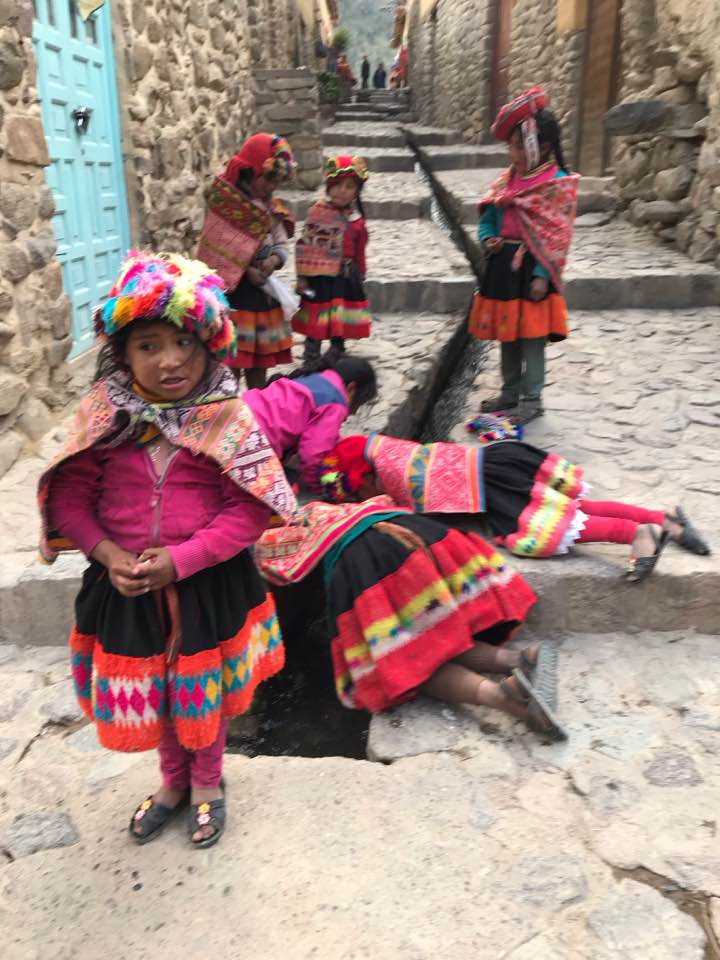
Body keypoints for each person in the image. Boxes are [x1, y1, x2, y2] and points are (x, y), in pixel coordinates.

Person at [38, 252, 297, 848]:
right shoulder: (105, 419)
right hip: (125, 587)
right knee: (156, 690)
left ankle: (207, 783)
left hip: (206, 584)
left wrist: (183, 559)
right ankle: (172, 782)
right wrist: (107, 555)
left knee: (198, 692)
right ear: (122, 354)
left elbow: (251, 507)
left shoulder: (230, 418)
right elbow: (70, 499)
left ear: (209, 343)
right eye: (148, 345)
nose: (170, 360)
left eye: (183, 341)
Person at [256, 498, 564, 739]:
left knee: (403, 666)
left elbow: (280, 577)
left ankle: (502, 698)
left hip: (371, 567)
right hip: (416, 535)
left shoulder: (272, 539)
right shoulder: (329, 507)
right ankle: (518, 660)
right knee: (435, 637)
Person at [318, 428, 710, 583]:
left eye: (357, 489)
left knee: (539, 533)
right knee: (574, 509)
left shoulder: (391, 474)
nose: (360, 496)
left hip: (494, 484)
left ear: (365, 475)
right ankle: (666, 521)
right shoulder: (391, 453)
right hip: (499, 462)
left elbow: (402, 512)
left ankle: (637, 535)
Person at [468, 87, 579, 425]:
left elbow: (558, 233)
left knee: (532, 338)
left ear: (541, 147)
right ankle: (510, 391)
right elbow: (489, 214)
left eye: (518, 146)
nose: (512, 153)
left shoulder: (556, 184)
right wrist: (488, 238)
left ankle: (532, 399)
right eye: (511, 146)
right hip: (504, 268)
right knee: (507, 334)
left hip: (534, 269)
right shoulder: (508, 180)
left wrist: (542, 277)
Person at [196, 133, 296, 389]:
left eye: (276, 182)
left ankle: (257, 407)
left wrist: (273, 260)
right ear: (250, 170)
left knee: (258, 361)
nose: (270, 187)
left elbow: (281, 242)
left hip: (260, 296)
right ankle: (229, 406)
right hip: (232, 295)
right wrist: (247, 269)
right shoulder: (225, 204)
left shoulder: (271, 209)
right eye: (267, 179)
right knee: (232, 360)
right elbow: (217, 247)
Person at [245, 355, 378, 492]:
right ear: (351, 388)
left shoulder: (314, 377)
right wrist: (320, 487)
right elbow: (313, 454)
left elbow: (318, 429)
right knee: (285, 493)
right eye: (359, 403)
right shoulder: (335, 402)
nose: (354, 412)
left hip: (237, 415)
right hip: (251, 443)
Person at [294, 155, 372, 366]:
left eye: (349, 187)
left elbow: (359, 252)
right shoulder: (317, 213)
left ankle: (337, 352)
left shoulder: (357, 222)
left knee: (340, 315)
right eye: (337, 185)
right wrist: (302, 277)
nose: (342, 191)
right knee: (317, 316)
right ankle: (311, 356)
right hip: (319, 278)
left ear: (356, 192)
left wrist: (361, 274)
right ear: (329, 187)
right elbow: (305, 247)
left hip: (346, 277)